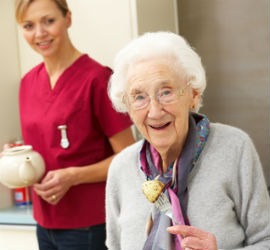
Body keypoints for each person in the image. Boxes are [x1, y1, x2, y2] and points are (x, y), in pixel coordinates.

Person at [105, 31, 270, 250]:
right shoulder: (121, 168)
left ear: (193, 94)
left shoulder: (234, 148)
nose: (154, 111)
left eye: (166, 92)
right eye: (139, 97)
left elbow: (265, 239)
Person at [15, 0, 135, 249]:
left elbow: (128, 156)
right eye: (29, 25)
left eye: (49, 21)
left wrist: (73, 176)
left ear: (68, 18)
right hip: (43, 222)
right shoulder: (27, 83)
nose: (40, 33)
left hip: (88, 225)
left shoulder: (98, 79)